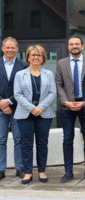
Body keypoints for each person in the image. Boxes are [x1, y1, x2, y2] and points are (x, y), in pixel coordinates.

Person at [55, 35, 85, 183]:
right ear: (68, 47)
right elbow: (58, 84)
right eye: (71, 44)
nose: (74, 46)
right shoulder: (61, 63)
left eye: (77, 44)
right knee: (68, 138)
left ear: (82, 46)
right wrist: (66, 102)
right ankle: (68, 171)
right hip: (67, 107)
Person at [14, 45, 57, 184]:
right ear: (28, 57)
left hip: (44, 113)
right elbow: (17, 94)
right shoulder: (20, 74)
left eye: (39, 55)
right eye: (33, 55)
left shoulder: (49, 74)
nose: (36, 57)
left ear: (43, 57)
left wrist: (40, 107)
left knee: (42, 144)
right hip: (25, 114)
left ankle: (41, 171)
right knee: (26, 144)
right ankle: (27, 172)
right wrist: (32, 108)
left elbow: (53, 93)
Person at [0, 37, 27, 180]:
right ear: (2, 48)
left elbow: (25, 89)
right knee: (0, 139)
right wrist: (2, 104)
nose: (10, 50)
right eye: (7, 47)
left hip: (18, 108)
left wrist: (9, 102)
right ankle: (0, 169)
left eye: (13, 47)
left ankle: (20, 168)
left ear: (17, 49)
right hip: (0, 109)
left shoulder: (23, 65)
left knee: (19, 139)